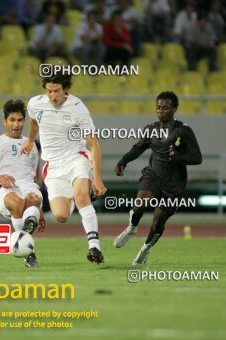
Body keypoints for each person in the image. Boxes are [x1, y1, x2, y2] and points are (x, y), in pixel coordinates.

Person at [20, 72, 107, 264]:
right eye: (49, 91)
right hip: (53, 166)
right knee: (60, 215)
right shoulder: (35, 104)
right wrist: (28, 140)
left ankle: (94, 247)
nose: (53, 96)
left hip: (76, 158)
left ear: (65, 89)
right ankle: (76, 196)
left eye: (57, 91)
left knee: (82, 196)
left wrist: (97, 178)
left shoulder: (77, 108)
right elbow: (34, 123)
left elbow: (93, 144)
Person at [113, 91, 202, 265]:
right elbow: (138, 148)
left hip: (174, 184)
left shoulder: (183, 131)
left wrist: (178, 156)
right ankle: (131, 228)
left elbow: (197, 158)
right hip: (153, 175)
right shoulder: (151, 129)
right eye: (158, 107)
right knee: (139, 204)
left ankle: (145, 250)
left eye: (165, 108)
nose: (161, 111)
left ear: (175, 109)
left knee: (158, 222)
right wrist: (123, 161)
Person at [0, 99, 46, 268]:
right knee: (18, 203)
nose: (16, 124)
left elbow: (35, 178)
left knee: (32, 198)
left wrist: (40, 211)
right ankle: (28, 251)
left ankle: (26, 250)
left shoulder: (30, 145)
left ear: (24, 121)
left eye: (20, 120)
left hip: (28, 187)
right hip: (6, 189)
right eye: (12, 120)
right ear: (5, 121)